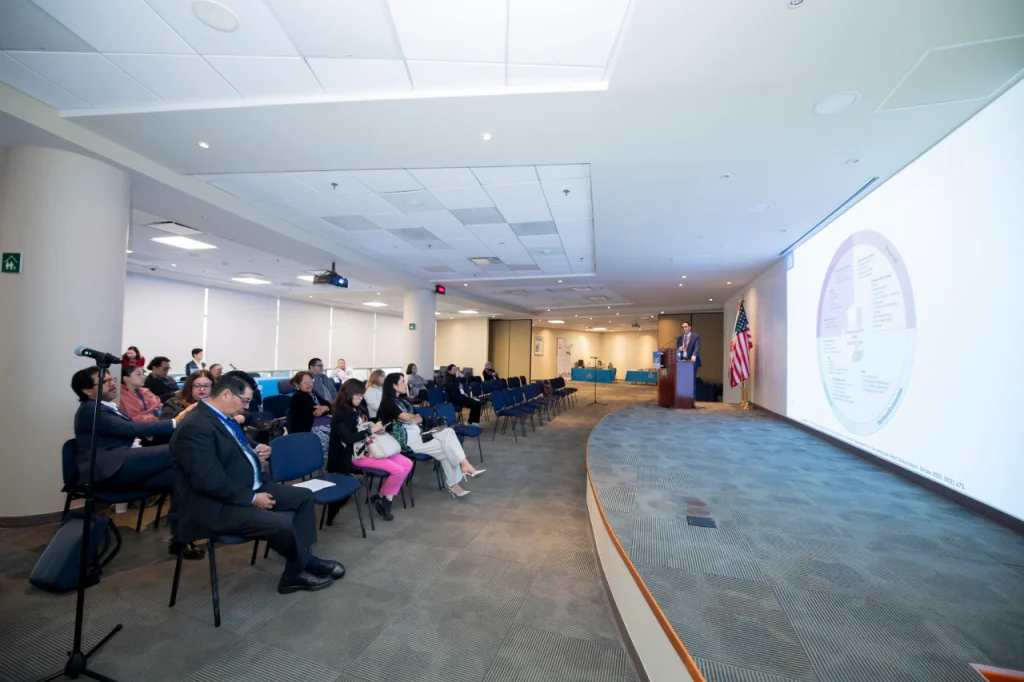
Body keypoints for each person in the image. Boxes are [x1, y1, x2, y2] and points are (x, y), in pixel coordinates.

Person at [169, 374, 344, 593]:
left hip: (247, 485)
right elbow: (208, 481)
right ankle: (299, 569)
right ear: (225, 394)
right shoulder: (194, 427)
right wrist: (251, 499)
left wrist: (256, 449)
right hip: (216, 505)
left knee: (304, 497)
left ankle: (301, 562)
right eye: (244, 400)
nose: (246, 406)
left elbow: (235, 444)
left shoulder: (222, 416)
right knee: (280, 524)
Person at [70, 366, 203, 560]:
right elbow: (129, 428)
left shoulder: (104, 406)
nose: (112, 383)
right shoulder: (90, 409)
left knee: (177, 476)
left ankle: (180, 539)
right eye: (105, 382)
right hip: (110, 468)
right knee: (181, 451)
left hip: (123, 461)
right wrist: (176, 422)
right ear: (87, 390)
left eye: (111, 379)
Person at [377, 373, 483, 498]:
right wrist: (409, 418)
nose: (406, 384)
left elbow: (417, 418)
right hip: (406, 441)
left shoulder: (404, 401)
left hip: (419, 432)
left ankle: (464, 464)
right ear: (394, 385)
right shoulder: (387, 403)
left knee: (448, 433)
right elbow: (407, 417)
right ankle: (458, 477)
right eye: (402, 382)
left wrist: (410, 418)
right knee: (446, 449)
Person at [328, 379, 413, 523]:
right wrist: (370, 430)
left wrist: (375, 430)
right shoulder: (341, 414)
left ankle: (382, 497)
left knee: (407, 463)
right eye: (358, 395)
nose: (361, 398)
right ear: (348, 394)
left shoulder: (357, 408)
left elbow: (362, 429)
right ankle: (385, 501)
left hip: (369, 447)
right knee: (397, 470)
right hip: (354, 454)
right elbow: (348, 439)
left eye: (362, 395)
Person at [289, 370, 332, 454]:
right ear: (297, 384)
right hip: (307, 430)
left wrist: (326, 408)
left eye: (310, 381)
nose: (309, 384)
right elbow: (316, 412)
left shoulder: (313, 394)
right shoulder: (297, 397)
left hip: (319, 425)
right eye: (305, 382)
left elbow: (329, 406)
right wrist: (326, 408)